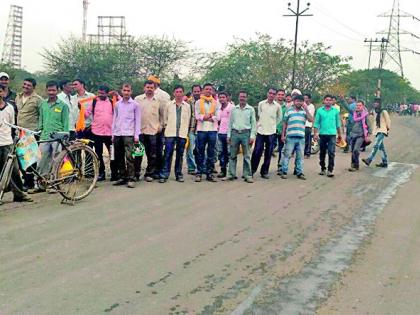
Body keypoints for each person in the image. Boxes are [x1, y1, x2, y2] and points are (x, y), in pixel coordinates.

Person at [0, 83, 32, 204]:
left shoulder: (9, 108)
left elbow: (13, 125)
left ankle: (19, 194)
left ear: (3, 93)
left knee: (14, 170)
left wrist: (14, 140)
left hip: (7, 142)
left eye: (0, 91)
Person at [37, 81, 69, 192]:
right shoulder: (43, 104)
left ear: (57, 91)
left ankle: (55, 184)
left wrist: (65, 136)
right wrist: (39, 131)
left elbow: (65, 123)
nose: (51, 92)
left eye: (53, 90)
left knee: (56, 161)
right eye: (49, 90)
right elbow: (41, 121)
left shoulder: (63, 106)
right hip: (45, 136)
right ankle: (41, 183)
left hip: (58, 137)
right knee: (42, 160)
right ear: (46, 90)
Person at [85, 85, 118, 181]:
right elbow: (87, 114)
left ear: (107, 93)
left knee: (112, 154)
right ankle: (101, 173)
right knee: (98, 154)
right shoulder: (94, 102)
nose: (100, 95)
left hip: (110, 134)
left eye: (102, 93)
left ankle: (114, 173)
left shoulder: (113, 102)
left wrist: (117, 95)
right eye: (99, 93)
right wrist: (81, 109)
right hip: (97, 133)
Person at [15, 78, 43, 190]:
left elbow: (42, 115)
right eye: (25, 84)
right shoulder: (18, 97)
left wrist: (40, 130)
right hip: (19, 131)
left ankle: (29, 182)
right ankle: (26, 179)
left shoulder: (38, 99)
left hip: (31, 132)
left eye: (29, 85)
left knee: (30, 159)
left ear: (33, 87)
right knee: (20, 157)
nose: (26, 86)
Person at [135, 80, 165, 182]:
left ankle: (149, 173)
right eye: (148, 87)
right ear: (144, 88)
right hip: (140, 131)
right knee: (138, 154)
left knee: (152, 154)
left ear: (154, 88)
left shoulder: (158, 100)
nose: (149, 89)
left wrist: (160, 126)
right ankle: (136, 174)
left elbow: (162, 115)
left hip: (153, 131)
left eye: (151, 87)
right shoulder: (138, 99)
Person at [159, 85, 191, 183]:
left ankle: (178, 174)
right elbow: (165, 119)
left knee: (180, 154)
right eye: (176, 92)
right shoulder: (168, 105)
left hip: (182, 133)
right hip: (170, 133)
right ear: (174, 93)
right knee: (168, 154)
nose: (178, 94)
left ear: (183, 93)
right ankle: (164, 174)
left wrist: (186, 132)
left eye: (180, 91)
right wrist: (167, 127)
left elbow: (188, 119)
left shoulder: (187, 106)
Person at [112, 84, 141, 188]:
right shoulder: (117, 105)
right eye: (124, 90)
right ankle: (122, 177)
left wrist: (136, 135)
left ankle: (131, 178)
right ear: (121, 91)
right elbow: (114, 119)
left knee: (129, 157)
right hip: (118, 133)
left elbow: (138, 121)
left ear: (131, 92)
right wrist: (113, 134)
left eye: (128, 90)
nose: (126, 92)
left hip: (129, 134)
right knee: (119, 156)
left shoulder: (135, 105)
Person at [280, 94, 314, 180]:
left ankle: (300, 172)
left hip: (301, 137)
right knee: (287, 155)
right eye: (297, 101)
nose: (299, 102)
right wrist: (283, 135)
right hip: (290, 137)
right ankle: (284, 171)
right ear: (294, 102)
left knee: (300, 156)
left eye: (301, 101)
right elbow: (284, 123)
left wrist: (306, 109)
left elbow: (311, 120)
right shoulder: (289, 111)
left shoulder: (304, 112)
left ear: (303, 102)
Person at [225, 91, 256, 183]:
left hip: (246, 134)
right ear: (238, 98)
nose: (242, 98)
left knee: (246, 155)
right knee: (232, 155)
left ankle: (247, 175)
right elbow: (230, 123)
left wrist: (252, 136)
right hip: (234, 133)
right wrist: (228, 135)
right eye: (241, 96)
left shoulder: (250, 109)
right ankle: (231, 174)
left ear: (247, 98)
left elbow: (253, 123)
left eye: (244, 97)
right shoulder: (234, 109)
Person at [251, 88, 282, 179]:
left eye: (273, 94)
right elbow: (259, 115)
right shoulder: (261, 104)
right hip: (261, 131)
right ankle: (252, 170)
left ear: (275, 95)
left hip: (271, 132)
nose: (271, 95)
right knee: (257, 152)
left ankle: (264, 172)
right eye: (270, 93)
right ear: (267, 93)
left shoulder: (277, 106)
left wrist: (273, 125)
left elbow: (279, 118)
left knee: (268, 153)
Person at [194, 83, 220, 182]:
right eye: (206, 89)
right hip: (201, 130)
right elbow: (197, 116)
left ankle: (209, 173)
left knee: (211, 152)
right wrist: (207, 117)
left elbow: (218, 117)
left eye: (210, 89)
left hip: (212, 130)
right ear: (203, 90)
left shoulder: (216, 102)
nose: (208, 91)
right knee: (200, 152)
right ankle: (199, 172)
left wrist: (206, 117)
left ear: (212, 91)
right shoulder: (198, 102)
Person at [313, 95, 342, 177]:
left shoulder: (335, 111)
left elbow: (338, 124)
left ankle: (330, 170)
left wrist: (339, 135)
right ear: (324, 101)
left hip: (332, 135)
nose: (328, 101)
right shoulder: (319, 111)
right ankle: (323, 168)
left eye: (330, 100)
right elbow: (316, 123)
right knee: (322, 152)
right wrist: (315, 133)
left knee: (331, 152)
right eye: (327, 100)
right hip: (322, 134)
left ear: (332, 101)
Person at [362, 98, 391, 168]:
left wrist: (387, 130)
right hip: (377, 130)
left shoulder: (384, 111)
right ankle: (384, 162)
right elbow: (372, 119)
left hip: (382, 130)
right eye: (374, 103)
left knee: (376, 145)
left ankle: (369, 159)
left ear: (380, 104)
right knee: (381, 147)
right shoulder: (375, 111)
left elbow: (388, 121)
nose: (375, 104)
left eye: (377, 103)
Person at [348, 101, 371, 171]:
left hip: (361, 135)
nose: (358, 107)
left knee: (356, 150)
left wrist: (368, 135)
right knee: (352, 150)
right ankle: (353, 164)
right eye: (357, 105)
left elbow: (369, 125)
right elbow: (348, 108)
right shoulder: (354, 113)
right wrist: (342, 100)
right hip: (353, 134)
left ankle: (356, 165)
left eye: (360, 105)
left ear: (363, 106)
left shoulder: (365, 115)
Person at [217, 91, 234, 178]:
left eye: (223, 97)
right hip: (220, 133)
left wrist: (230, 134)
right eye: (220, 97)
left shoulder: (232, 108)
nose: (222, 99)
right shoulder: (218, 108)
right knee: (221, 152)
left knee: (229, 153)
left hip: (229, 134)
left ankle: (230, 171)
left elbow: (233, 121)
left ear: (227, 98)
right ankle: (223, 170)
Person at [186, 84, 201, 175]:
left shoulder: (204, 102)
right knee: (190, 150)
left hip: (201, 129)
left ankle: (200, 167)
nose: (196, 93)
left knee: (200, 150)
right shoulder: (188, 102)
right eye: (195, 91)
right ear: (192, 92)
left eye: (198, 91)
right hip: (191, 129)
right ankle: (191, 168)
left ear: (201, 91)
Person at [275, 89, 288, 174]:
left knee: (281, 150)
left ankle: (280, 167)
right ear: (276, 95)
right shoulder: (273, 105)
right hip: (271, 131)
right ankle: (265, 169)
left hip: (282, 132)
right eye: (279, 94)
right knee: (269, 149)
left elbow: (286, 121)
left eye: (282, 94)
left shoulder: (286, 108)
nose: (280, 96)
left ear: (284, 96)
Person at [303, 93, 315, 158]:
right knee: (303, 140)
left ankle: (307, 153)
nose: (305, 99)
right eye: (304, 98)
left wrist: (305, 108)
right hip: (302, 125)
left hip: (308, 125)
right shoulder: (302, 105)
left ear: (309, 99)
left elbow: (310, 116)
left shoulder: (311, 106)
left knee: (308, 140)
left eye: (306, 98)